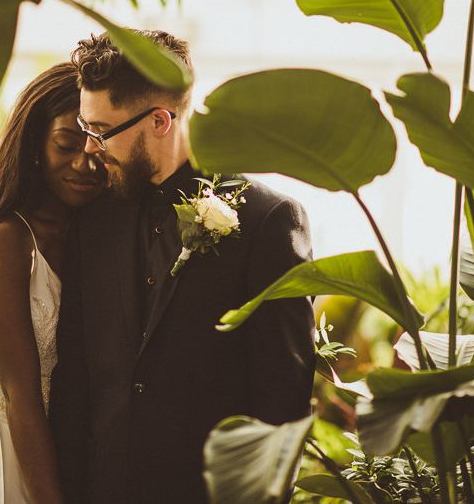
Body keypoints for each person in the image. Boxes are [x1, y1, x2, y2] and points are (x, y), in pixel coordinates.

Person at [49, 30, 316, 503]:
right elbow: (75, 378)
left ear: (159, 121)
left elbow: (283, 397)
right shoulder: (91, 223)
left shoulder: (266, 220)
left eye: (100, 131)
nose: (90, 148)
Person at [0, 63, 106, 503]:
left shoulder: (91, 234)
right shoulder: (7, 240)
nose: (84, 163)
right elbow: (21, 395)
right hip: (4, 450)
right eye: (66, 144)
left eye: (97, 148)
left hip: (64, 452)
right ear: (34, 144)